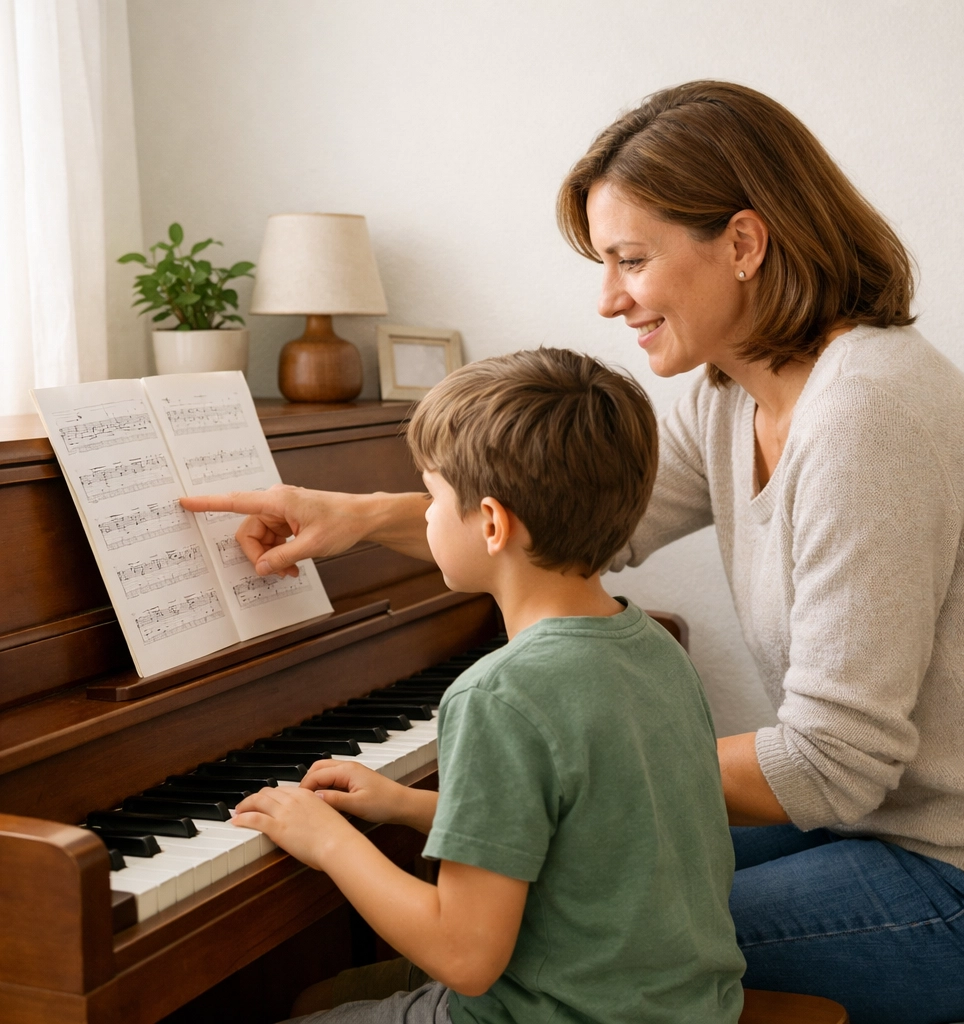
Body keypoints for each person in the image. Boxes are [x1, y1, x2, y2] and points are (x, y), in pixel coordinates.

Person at [184, 81, 964, 1023]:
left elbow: (831, 764)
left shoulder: (869, 417)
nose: (608, 297)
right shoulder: (734, 393)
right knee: (560, 895)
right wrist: (357, 513)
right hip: (863, 829)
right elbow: (578, 521)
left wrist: (542, 783)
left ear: (744, 244)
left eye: (631, 259)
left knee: (576, 930)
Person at [193, 348, 746, 1024]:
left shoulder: (498, 695)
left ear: (490, 522)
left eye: (430, 497)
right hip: (684, 1010)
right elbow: (595, 823)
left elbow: (464, 959)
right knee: (321, 999)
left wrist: (329, 842)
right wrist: (410, 807)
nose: (423, 516)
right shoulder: (651, 649)